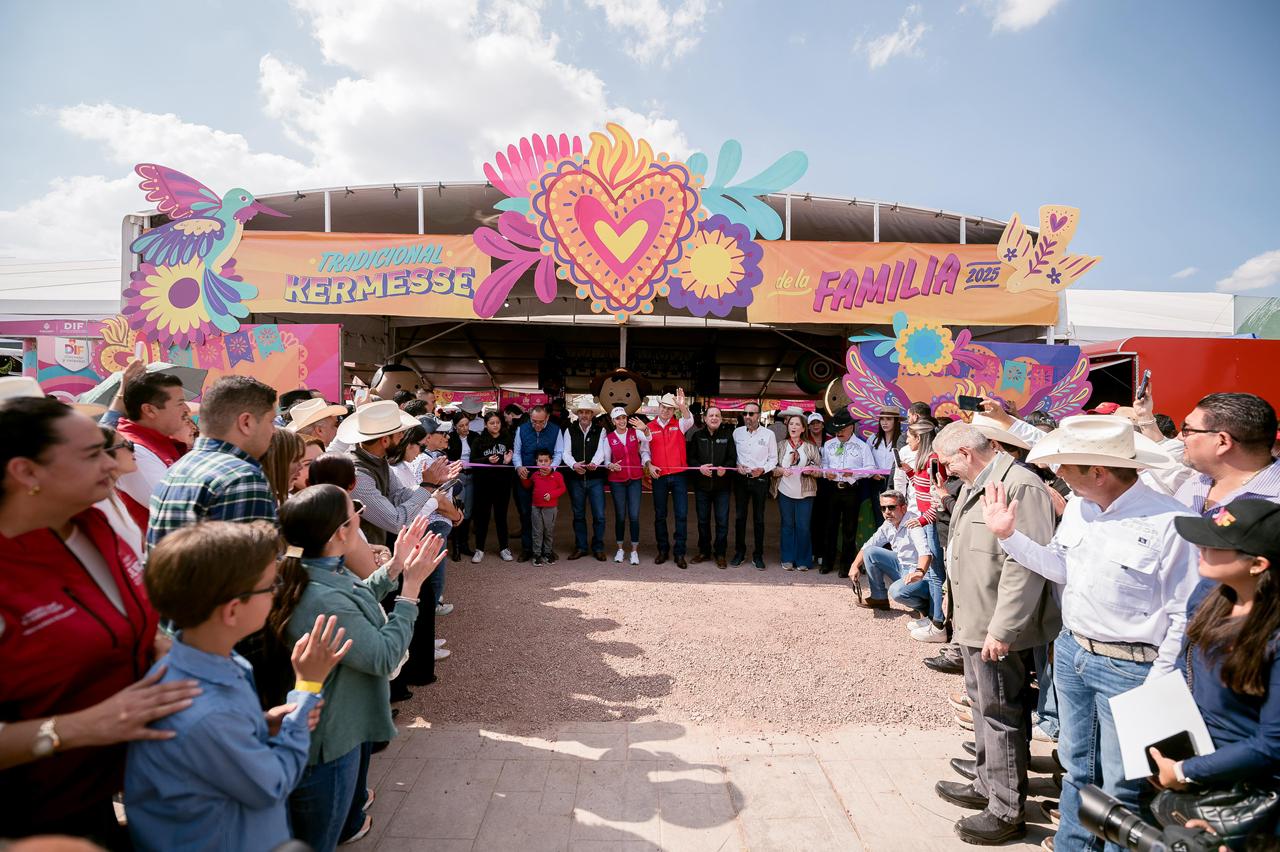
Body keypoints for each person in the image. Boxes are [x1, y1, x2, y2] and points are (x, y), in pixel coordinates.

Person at [981, 414, 1201, 852]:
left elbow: (1185, 614)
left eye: (1067, 466)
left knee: (1126, 789)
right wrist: (1008, 537)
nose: (1057, 473)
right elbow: (1060, 566)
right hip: (1073, 653)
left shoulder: (1172, 522)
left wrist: (1156, 684)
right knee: (1076, 770)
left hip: (1136, 671)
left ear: (1098, 471)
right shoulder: (1081, 508)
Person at [0, 397, 195, 845]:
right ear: (26, 472)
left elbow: (139, 630)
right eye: (93, 454)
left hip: (112, 789)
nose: (116, 465)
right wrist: (78, 728)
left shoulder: (98, 524)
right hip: (32, 821)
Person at [124, 521, 350, 852]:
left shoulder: (210, 662)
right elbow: (273, 781)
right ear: (232, 609)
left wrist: (260, 723)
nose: (276, 592)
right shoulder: (208, 714)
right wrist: (307, 686)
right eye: (271, 585)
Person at [274, 485, 444, 851]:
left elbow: (355, 600)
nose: (359, 515)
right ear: (340, 533)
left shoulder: (314, 569)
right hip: (332, 739)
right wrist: (411, 589)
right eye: (355, 512)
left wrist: (395, 565)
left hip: (343, 723)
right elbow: (383, 654)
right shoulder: (321, 593)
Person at [930, 421, 1059, 844]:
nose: (945, 469)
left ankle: (1006, 809)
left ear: (967, 452)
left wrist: (1003, 629)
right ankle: (988, 786)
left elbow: (1026, 565)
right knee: (985, 708)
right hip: (973, 620)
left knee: (1002, 713)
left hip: (995, 626)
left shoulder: (1021, 485)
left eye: (948, 461)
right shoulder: (980, 482)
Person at [1148, 498, 1280, 840]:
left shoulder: (1274, 638)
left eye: (1216, 545)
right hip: (1195, 765)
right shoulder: (1210, 592)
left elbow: (1271, 744)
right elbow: (1184, 664)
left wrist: (1184, 770)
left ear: (1258, 564)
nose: (1200, 547)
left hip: (1246, 793)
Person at [148, 376, 280, 548]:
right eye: (270, 421)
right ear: (246, 422)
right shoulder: (241, 478)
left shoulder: (176, 469)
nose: (274, 430)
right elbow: (251, 569)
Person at [339, 401, 444, 548]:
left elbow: (397, 495)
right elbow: (396, 521)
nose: (403, 437)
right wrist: (427, 487)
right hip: (360, 555)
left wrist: (432, 482)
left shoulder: (378, 460)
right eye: (399, 434)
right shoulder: (358, 475)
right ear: (385, 440)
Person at [1173, 392, 1280, 514]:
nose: (1181, 437)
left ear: (1222, 442)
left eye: (1187, 429)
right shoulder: (1194, 484)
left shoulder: (1275, 500)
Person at [113, 370, 190, 530]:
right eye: (180, 403)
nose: (187, 409)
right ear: (149, 410)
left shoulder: (157, 440)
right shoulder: (133, 450)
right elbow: (176, 509)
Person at [849, 490, 932, 610]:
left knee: (896, 591)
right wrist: (854, 565)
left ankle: (925, 607)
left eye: (891, 507)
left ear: (904, 508)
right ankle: (879, 598)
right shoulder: (888, 524)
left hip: (920, 573)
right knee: (870, 552)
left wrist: (919, 572)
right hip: (902, 567)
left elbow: (926, 554)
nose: (887, 512)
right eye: (883, 508)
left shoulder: (913, 523)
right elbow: (868, 546)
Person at [642, 390, 695, 568]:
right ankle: (662, 550)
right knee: (660, 515)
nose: (666, 411)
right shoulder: (649, 427)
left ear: (674, 411)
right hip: (660, 476)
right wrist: (649, 465)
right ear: (659, 407)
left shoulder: (680, 423)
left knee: (681, 515)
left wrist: (682, 406)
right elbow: (644, 451)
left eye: (670, 409)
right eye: (664, 407)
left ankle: (680, 553)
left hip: (679, 475)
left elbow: (690, 420)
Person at [820, 410, 876, 577]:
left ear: (851, 427)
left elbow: (871, 469)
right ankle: (827, 563)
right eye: (837, 429)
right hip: (832, 489)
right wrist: (825, 473)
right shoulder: (829, 445)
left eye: (843, 429)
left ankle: (846, 565)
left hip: (851, 490)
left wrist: (854, 473)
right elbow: (823, 464)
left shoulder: (862, 446)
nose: (839, 432)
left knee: (849, 529)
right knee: (829, 526)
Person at [686, 405, 737, 567]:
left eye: (717, 415)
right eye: (711, 415)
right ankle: (704, 551)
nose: (714, 418)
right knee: (703, 521)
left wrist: (726, 468)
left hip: (722, 487)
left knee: (722, 521)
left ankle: (720, 553)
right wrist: (699, 467)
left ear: (721, 419)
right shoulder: (697, 436)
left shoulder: (728, 436)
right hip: (702, 487)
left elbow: (732, 458)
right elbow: (691, 459)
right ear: (705, 419)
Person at [512, 405, 565, 562]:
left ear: (547, 418)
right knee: (526, 513)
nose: (537, 425)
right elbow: (516, 452)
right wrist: (519, 467)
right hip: (526, 475)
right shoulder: (522, 429)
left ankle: (546, 550)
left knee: (547, 516)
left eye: (541, 422)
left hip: (547, 478)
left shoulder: (556, 430)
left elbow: (558, 453)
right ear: (530, 417)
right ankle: (528, 549)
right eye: (534, 421)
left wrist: (551, 468)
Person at [561, 395, 608, 562]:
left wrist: (594, 463)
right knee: (578, 514)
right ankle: (580, 547)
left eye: (587, 412)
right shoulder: (569, 430)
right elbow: (565, 453)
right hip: (576, 479)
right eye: (581, 412)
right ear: (578, 414)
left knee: (599, 515)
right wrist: (574, 465)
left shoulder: (600, 430)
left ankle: (598, 547)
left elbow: (602, 451)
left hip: (595, 478)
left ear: (592, 414)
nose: (584, 415)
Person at [601, 406, 649, 565]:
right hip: (617, 481)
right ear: (613, 421)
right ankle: (620, 549)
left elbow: (649, 439)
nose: (621, 421)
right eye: (618, 418)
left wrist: (645, 428)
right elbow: (606, 460)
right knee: (620, 516)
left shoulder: (635, 432)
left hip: (635, 479)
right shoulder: (608, 438)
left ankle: (634, 551)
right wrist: (610, 466)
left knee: (634, 516)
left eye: (623, 418)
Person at [732, 400, 777, 570]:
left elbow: (774, 459)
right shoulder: (737, 433)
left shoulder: (768, 435)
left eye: (751, 413)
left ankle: (758, 555)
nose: (748, 417)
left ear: (758, 415)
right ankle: (739, 553)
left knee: (759, 519)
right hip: (741, 480)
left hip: (760, 480)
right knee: (739, 517)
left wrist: (763, 469)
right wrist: (737, 465)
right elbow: (733, 455)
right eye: (745, 413)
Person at [773, 413, 821, 571]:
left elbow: (820, 471)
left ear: (803, 428)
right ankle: (787, 558)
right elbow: (771, 467)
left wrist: (810, 471)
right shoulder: (780, 445)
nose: (793, 427)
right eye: (791, 424)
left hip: (805, 493)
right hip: (785, 490)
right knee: (787, 525)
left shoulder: (810, 447)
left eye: (797, 424)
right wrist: (779, 470)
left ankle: (803, 560)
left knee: (803, 526)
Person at [93, 426, 146, 561]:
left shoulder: (110, 495)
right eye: (125, 444)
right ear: (104, 454)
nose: (133, 448)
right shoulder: (95, 506)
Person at [471, 411, 515, 563]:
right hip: (483, 484)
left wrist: (508, 461)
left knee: (501, 516)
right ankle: (479, 549)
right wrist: (487, 459)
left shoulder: (507, 438)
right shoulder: (479, 440)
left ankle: (504, 547)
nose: (495, 425)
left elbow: (511, 460)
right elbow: (472, 461)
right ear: (485, 424)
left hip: (502, 484)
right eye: (492, 423)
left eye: (497, 422)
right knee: (482, 517)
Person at [446, 412, 480, 561]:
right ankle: (456, 547)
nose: (465, 428)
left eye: (466, 424)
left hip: (471, 476)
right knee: (457, 510)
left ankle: (464, 544)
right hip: (457, 476)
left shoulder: (474, 437)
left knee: (468, 512)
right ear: (455, 427)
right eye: (461, 426)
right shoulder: (450, 438)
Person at [524, 448, 567, 566]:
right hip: (536, 507)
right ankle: (537, 554)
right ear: (536, 462)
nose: (543, 463)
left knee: (548, 531)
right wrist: (524, 478)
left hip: (550, 508)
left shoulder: (557, 475)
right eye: (540, 461)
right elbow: (528, 485)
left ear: (551, 461)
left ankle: (547, 553)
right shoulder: (535, 475)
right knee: (537, 532)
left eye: (546, 461)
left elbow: (562, 488)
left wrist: (551, 495)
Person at [261, 427, 306, 508]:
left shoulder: (290, 501)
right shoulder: (259, 501)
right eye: (295, 459)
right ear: (274, 461)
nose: (300, 466)